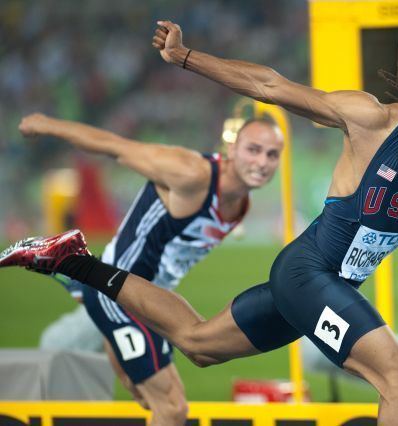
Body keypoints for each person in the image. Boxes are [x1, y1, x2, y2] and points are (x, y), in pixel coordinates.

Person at [1, 21, 398, 426]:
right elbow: (270, 86)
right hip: (305, 271)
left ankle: (70, 259)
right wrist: (185, 58)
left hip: (319, 287)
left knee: (199, 344)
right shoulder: (372, 122)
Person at [16, 112, 284, 426]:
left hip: (150, 301)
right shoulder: (190, 173)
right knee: (171, 407)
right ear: (231, 148)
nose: (263, 162)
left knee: (147, 399)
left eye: (272, 154)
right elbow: (114, 146)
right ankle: (69, 269)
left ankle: (78, 289)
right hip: (118, 290)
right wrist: (47, 125)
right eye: (253, 150)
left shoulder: (241, 202)